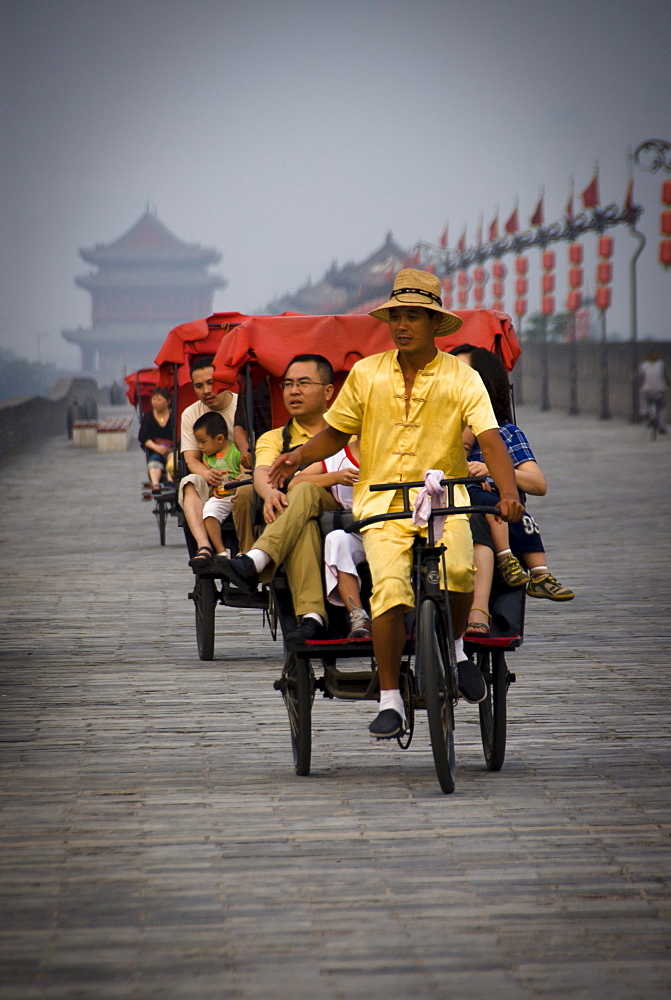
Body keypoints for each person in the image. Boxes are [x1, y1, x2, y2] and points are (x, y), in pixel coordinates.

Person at [266, 268, 524, 739]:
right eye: (396, 317)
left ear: (433, 323)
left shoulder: (461, 377)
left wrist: (508, 493)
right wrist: (297, 455)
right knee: (387, 589)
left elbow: (489, 440)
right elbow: (336, 432)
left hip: (445, 498)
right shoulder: (367, 374)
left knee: (462, 571)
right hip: (382, 500)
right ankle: (391, 701)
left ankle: (460, 646)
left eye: (413, 317)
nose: (402, 326)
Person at [214, 354, 342, 644]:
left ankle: (256, 560)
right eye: (288, 384)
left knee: (305, 490)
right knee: (303, 524)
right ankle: (312, 618)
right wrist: (270, 492)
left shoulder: (347, 430)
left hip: (344, 507)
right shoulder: (274, 438)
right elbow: (262, 471)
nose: (294, 391)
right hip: (296, 515)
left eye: (304, 383)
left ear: (328, 391)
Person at [450, 345, 574, 637]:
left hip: (493, 512)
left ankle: (532, 575)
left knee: (500, 512)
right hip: (449, 511)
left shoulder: (505, 434)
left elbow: (538, 484)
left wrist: (495, 472)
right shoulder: (435, 429)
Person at [290, 438, 371, 639]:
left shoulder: (400, 451)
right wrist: (333, 477)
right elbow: (295, 482)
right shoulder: (337, 456)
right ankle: (357, 615)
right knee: (336, 539)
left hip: (392, 527)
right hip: (355, 529)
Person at [178, 356, 254, 568]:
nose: (206, 391)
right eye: (199, 386)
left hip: (243, 471)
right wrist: (207, 474)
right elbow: (191, 460)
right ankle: (204, 546)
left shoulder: (243, 404)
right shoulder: (191, 414)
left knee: (248, 485)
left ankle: (249, 549)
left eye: (210, 383)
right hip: (211, 476)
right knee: (189, 482)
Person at [191, 410, 243, 559]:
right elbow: (210, 479)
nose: (200, 447)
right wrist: (213, 487)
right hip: (221, 496)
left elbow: (244, 471)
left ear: (220, 438)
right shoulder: (208, 459)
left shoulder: (236, 452)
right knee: (209, 512)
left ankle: (244, 547)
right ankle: (221, 550)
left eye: (203, 441)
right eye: (198, 442)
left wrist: (239, 480)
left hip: (238, 494)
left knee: (247, 507)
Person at [138, 388, 174, 491]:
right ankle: (155, 485)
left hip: (172, 450)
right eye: (153, 399)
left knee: (172, 461)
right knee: (154, 461)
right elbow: (143, 437)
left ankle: (170, 481)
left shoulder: (174, 416)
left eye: (159, 399)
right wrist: (157, 448)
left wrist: (166, 447)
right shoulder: (148, 417)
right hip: (156, 450)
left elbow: (176, 437)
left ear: (168, 401)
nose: (155, 402)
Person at [639, 350, 668, 433]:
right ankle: (661, 426)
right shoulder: (661, 364)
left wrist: (641, 385)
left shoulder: (644, 365)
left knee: (644, 400)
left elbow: (641, 379)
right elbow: (666, 377)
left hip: (648, 389)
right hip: (660, 389)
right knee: (662, 409)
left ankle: (644, 412)